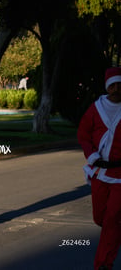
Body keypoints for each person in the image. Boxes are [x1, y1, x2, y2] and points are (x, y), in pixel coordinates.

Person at [77, 67, 121, 270]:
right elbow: (83, 134)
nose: (117, 88)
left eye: (120, 84)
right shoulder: (96, 108)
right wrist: (93, 156)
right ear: (107, 87)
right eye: (113, 85)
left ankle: (103, 264)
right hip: (100, 171)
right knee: (100, 218)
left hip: (120, 174)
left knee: (112, 218)